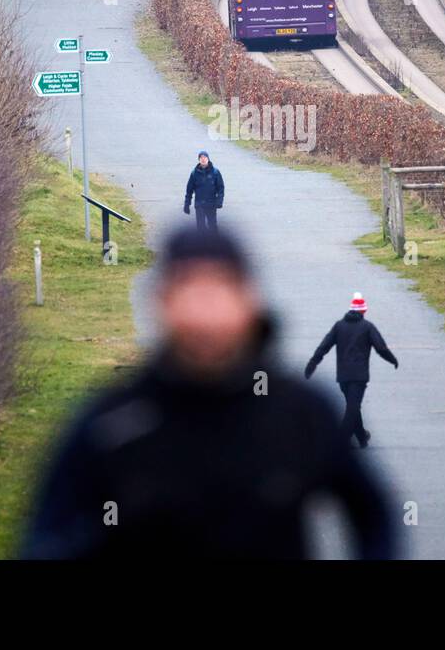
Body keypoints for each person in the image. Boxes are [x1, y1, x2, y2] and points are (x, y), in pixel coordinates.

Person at [20, 227, 398, 559]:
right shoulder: (113, 424)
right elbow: (45, 537)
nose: (205, 313)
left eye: (219, 290)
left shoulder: (298, 413)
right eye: (190, 291)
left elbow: (373, 515)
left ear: (249, 302)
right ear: (161, 302)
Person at [304, 292, 398, 448]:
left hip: (343, 376)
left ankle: (361, 436)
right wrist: (392, 359)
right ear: (363, 311)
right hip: (359, 376)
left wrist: (312, 363)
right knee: (353, 408)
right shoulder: (367, 327)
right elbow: (380, 347)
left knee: (353, 406)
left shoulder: (339, 326)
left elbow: (324, 346)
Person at [183, 149, 224, 232]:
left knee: (212, 226)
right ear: (199, 160)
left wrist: (219, 201)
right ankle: (202, 244)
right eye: (201, 157)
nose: (203, 159)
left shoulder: (215, 172)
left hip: (211, 204)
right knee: (201, 227)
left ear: (208, 159)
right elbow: (189, 190)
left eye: (205, 157)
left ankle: (214, 243)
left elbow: (220, 188)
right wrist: (187, 204)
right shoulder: (194, 173)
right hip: (199, 204)